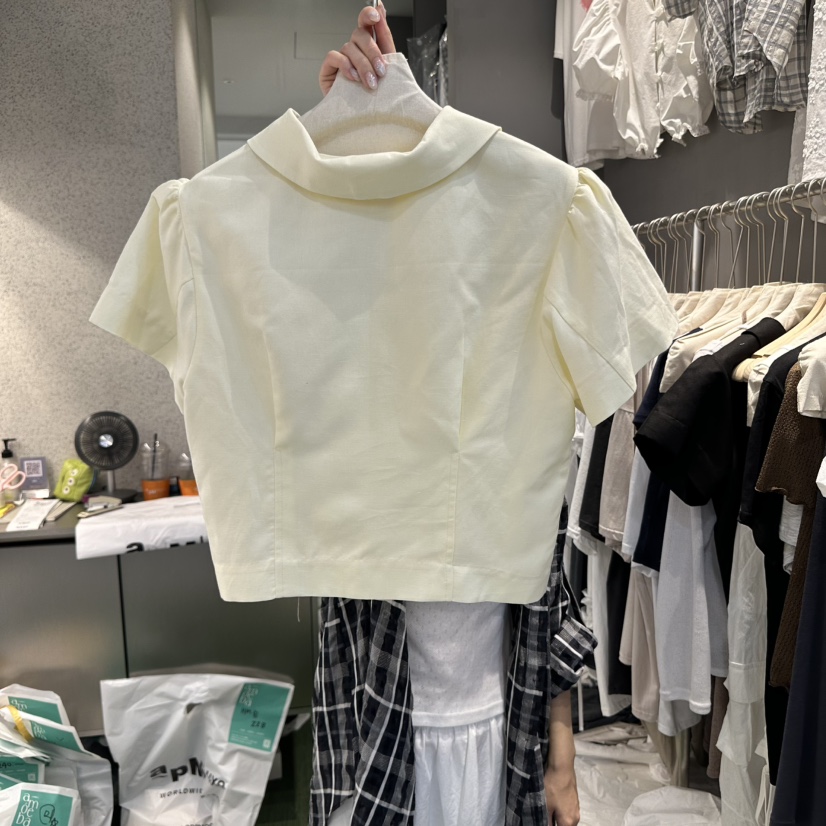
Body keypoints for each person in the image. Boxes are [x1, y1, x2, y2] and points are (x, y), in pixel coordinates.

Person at [309, 7, 590, 826]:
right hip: (376, 736)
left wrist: (563, 763)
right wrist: (344, 137)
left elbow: (550, 593)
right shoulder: (350, 411)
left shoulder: (511, 389)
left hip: (504, 737)